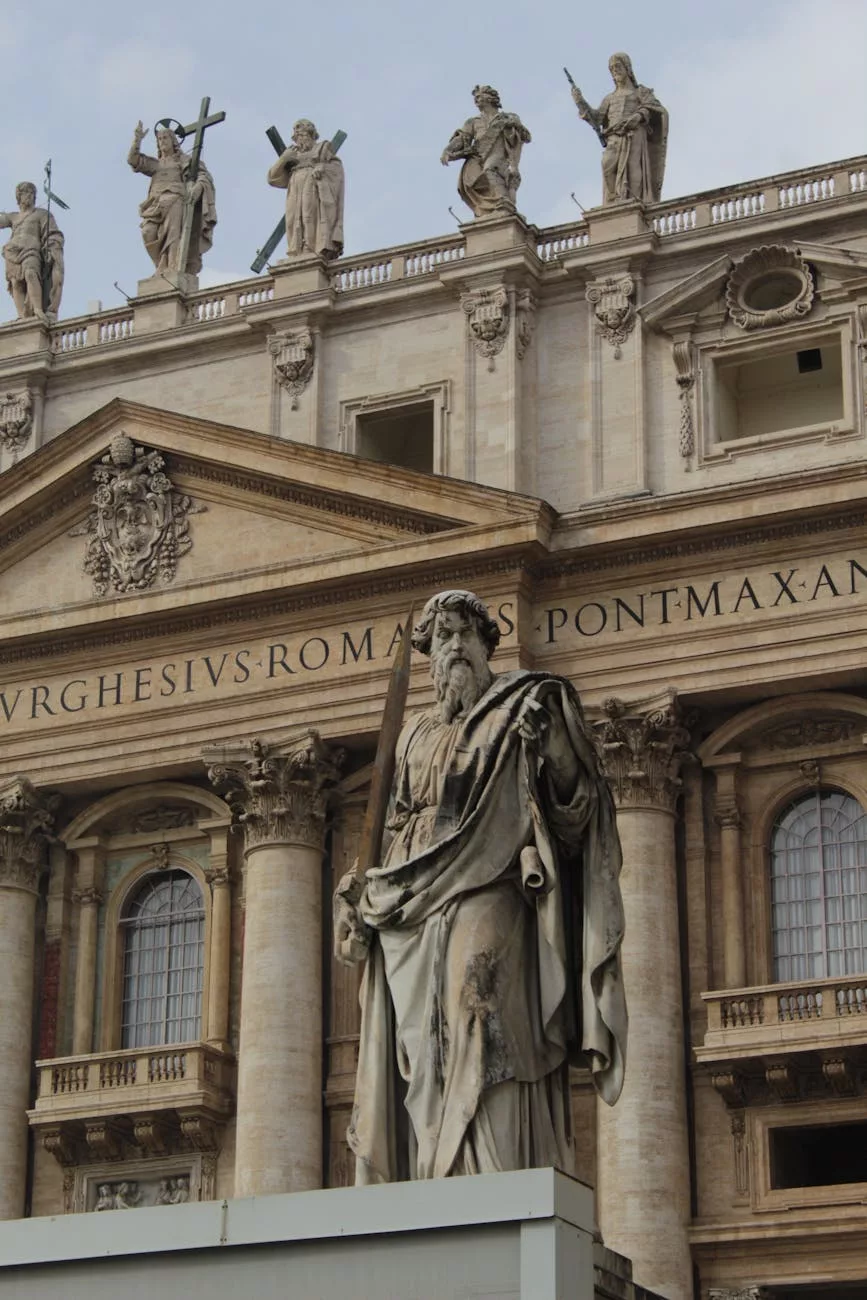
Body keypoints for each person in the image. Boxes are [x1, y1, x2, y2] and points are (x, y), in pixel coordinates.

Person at [334, 589, 626, 1183]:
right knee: (427, 1043)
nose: (456, 646)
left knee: (479, 1004)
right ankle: (438, 1174)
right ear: (428, 654)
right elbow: (392, 826)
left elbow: (575, 814)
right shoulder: (413, 734)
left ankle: (491, 1172)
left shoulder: (523, 707)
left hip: (492, 881)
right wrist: (363, 890)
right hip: (412, 905)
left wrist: (553, 749)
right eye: (444, 636)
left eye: (467, 633)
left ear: (488, 644)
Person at [571, 52, 668, 205]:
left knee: (633, 166)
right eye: (611, 68)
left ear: (627, 68)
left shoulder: (640, 92)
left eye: (617, 66)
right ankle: (613, 199)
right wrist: (580, 101)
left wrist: (639, 116)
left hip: (634, 133)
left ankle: (634, 201)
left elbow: (654, 108)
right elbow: (596, 119)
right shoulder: (609, 98)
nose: (615, 70)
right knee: (607, 164)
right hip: (614, 136)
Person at [128, 123, 217, 275]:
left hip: (176, 199)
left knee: (173, 234)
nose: (162, 141)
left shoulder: (183, 160)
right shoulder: (156, 164)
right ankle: (161, 266)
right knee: (148, 232)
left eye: (165, 138)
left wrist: (198, 187)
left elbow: (203, 175)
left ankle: (172, 268)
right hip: (155, 204)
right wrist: (137, 140)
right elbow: (133, 160)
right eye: (160, 139)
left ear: (173, 141)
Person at [441, 86, 531, 218]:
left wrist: (514, 124)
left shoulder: (508, 117)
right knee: (472, 181)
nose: (476, 100)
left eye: (479, 97)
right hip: (478, 156)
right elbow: (462, 138)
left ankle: (503, 201)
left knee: (490, 169)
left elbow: (527, 137)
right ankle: (490, 209)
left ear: (490, 98)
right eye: (475, 98)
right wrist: (448, 150)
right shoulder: (473, 122)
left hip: (499, 153)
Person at [267, 119, 344, 261]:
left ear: (311, 135)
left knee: (309, 215)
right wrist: (284, 158)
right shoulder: (292, 153)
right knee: (292, 218)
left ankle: (309, 248)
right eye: (297, 137)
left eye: (303, 135)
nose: (300, 139)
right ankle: (295, 250)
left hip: (312, 184)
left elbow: (336, 168)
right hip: (294, 187)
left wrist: (322, 168)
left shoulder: (322, 148)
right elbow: (272, 177)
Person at [0, 181, 64, 322]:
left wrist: (52, 245)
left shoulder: (42, 214)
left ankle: (37, 309)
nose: (29, 195)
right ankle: (22, 316)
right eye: (25, 193)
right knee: (16, 282)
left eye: (31, 193)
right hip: (12, 251)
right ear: (19, 197)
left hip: (31, 249)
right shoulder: (13, 216)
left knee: (31, 274)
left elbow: (53, 233)